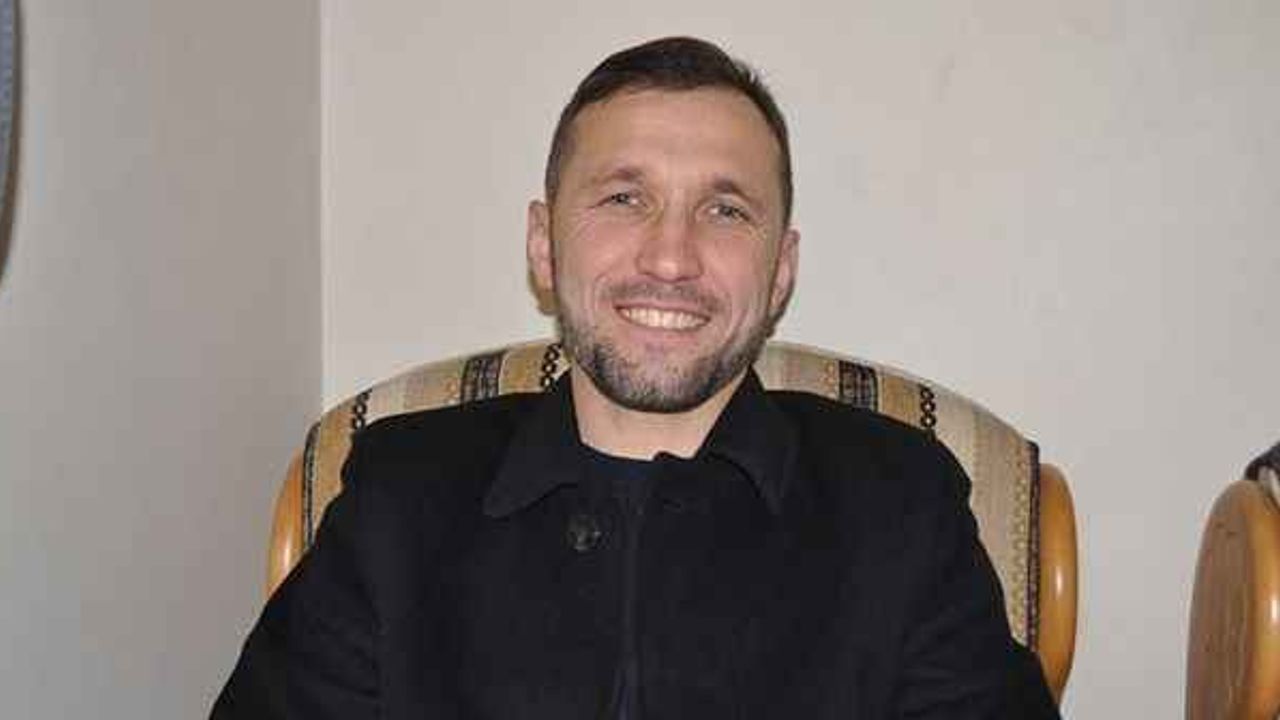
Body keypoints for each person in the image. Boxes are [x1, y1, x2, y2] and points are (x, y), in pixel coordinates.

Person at [212, 36, 1059, 719]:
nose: (670, 257)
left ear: (781, 271)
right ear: (544, 245)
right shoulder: (400, 494)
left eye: (725, 210)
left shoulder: (900, 501)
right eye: (624, 199)